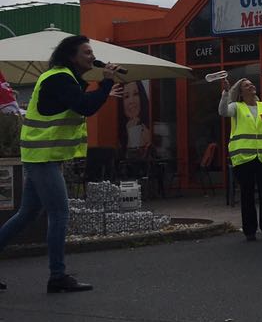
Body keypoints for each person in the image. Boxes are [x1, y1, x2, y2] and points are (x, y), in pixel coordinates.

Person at [0, 35, 120, 293]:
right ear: (71, 56)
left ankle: (57, 275)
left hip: (43, 156)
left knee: (27, 214)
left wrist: (102, 87)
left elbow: (79, 102)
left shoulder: (66, 79)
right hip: (42, 157)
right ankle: (57, 276)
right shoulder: (59, 78)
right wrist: (107, 81)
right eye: (87, 52)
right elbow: (85, 107)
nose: (92, 56)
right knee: (59, 213)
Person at [219, 77, 262, 241]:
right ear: (240, 92)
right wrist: (226, 93)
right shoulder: (236, 107)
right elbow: (223, 111)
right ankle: (250, 231)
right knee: (247, 195)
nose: (251, 86)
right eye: (246, 85)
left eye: (251, 84)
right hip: (243, 158)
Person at [118, 80, 152, 154]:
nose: (132, 101)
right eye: (126, 96)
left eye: (135, 94)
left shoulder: (148, 128)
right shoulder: (115, 133)